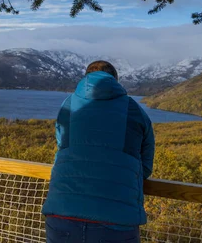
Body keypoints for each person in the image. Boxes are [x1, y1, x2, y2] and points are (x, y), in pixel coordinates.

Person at [42, 60, 155, 243]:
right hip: (117, 218)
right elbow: (146, 165)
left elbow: (62, 146)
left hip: (62, 212)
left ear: (85, 78)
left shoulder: (68, 105)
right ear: (115, 81)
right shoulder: (133, 108)